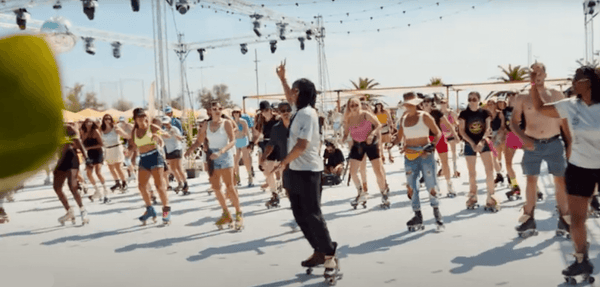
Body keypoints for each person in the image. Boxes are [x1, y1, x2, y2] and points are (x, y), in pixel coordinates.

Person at [529, 65, 599, 280]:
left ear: (588, 82)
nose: (573, 82)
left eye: (577, 78)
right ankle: (581, 261)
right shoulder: (570, 105)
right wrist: (533, 84)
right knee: (577, 220)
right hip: (579, 168)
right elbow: (540, 107)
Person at [274, 61, 340, 279]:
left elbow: (302, 145)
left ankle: (330, 254)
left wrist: (283, 162)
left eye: (294, 89)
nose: (290, 94)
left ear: (301, 93)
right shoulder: (298, 110)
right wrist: (283, 79)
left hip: (309, 171)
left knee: (312, 213)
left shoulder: (308, 114)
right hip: (295, 171)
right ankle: (320, 250)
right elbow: (288, 97)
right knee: (299, 214)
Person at [511, 63, 571, 238]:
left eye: (540, 71)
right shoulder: (522, 97)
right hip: (533, 145)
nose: (537, 74)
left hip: (554, 143)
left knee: (560, 182)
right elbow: (513, 122)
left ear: (545, 74)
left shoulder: (557, 94)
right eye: (533, 71)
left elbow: (564, 122)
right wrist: (524, 138)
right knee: (531, 181)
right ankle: (529, 220)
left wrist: (569, 144)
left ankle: (564, 219)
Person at [185, 101, 243, 230]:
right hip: (212, 156)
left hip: (225, 155)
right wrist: (191, 149)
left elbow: (233, 140)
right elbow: (200, 140)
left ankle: (239, 213)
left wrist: (221, 151)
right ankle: (226, 213)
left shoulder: (226, 123)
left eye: (219, 108)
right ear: (210, 111)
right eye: (214, 108)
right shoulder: (206, 124)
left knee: (230, 187)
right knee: (216, 188)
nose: (217, 110)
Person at [393, 92, 444, 231]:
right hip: (410, 155)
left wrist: (432, 145)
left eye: (410, 103)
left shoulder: (424, 116)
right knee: (411, 185)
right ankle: (417, 215)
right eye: (406, 104)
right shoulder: (403, 119)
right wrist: (393, 142)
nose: (408, 106)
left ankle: (436, 214)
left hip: (425, 153)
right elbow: (399, 137)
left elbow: (438, 132)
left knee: (430, 183)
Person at [342, 97, 389, 209]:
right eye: (351, 105)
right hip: (357, 145)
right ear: (349, 107)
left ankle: (384, 193)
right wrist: (343, 138)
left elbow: (378, 125)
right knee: (353, 172)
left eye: (356, 105)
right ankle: (361, 193)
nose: (354, 107)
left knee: (377, 171)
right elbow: (346, 132)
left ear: (359, 105)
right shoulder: (348, 118)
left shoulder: (365, 114)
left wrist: (372, 134)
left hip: (371, 143)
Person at [128, 108, 172, 225]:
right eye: (139, 117)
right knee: (141, 186)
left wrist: (159, 138)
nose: (142, 119)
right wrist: (128, 153)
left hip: (155, 156)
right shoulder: (134, 132)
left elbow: (165, 135)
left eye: (144, 116)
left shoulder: (152, 127)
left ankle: (166, 211)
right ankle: (150, 209)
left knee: (159, 185)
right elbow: (132, 146)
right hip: (143, 158)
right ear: (135, 119)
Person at [458, 92, 500, 211]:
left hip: (484, 142)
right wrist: (472, 143)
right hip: (469, 142)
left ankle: (491, 196)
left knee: (489, 170)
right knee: (472, 172)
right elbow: (461, 131)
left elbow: (488, 128)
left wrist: (482, 141)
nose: (472, 101)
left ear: (479, 100)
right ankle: (473, 195)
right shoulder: (464, 114)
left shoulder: (485, 113)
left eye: (475, 99)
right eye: (470, 99)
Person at [421, 94, 460, 197]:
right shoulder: (420, 115)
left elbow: (447, 124)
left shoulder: (436, 113)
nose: (427, 106)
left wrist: (455, 135)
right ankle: (434, 186)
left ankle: (449, 184)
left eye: (428, 103)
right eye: (425, 104)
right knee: (429, 163)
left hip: (439, 137)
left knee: (445, 162)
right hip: (427, 139)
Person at [54, 123, 90, 225]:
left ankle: (83, 211)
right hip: (60, 160)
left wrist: (86, 157)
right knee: (57, 187)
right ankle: (69, 211)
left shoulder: (67, 127)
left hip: (71, 157)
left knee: (72, 186)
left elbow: (78, 143)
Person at [262, 102, 293, 208]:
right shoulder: (274, 127)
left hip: (296, 159)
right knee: (288, 188)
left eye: (288, 110)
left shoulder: (296, 124)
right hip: (280, 155)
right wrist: (263, 157)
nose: (286, 113)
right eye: (283, 111)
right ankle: (275, 193)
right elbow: (270, 143)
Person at [498, 93, 523, 198]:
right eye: (510, 97)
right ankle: (515, 186)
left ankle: (536, 189)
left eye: (514, 96)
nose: (512, 98)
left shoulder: (524, 108)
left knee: (529, 163)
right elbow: (503, 126)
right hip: (511, 136)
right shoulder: (504, 111)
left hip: (523, 135)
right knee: (508, 164)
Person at [253, 101, 281, 193]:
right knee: (267, 171)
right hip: (267, 146)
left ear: (270, 110)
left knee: (280, 169)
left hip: (278, 145)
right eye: (263, 110)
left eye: (267, 110)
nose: (265, 112)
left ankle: (279, 185)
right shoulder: (261, 120)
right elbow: (257, 134)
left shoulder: (278, 119)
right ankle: (274, 192)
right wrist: (252, 144)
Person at [80, 118, 110, 203]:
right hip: (89, 154)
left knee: (98, 172)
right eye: (86, 122)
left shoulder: (95, 131)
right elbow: (82, 144)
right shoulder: (83, 132)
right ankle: (97, 190)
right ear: (84, 124)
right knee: (88, 173)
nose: (88, 124)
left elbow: (101, 144)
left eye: (90, 122)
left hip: (97, 152)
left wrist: (89, 147)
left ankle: (105, 189)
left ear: (92, 123)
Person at [100, 114, 130, 193]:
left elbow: (125, 135)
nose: (107, 120)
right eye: (106, 118)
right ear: (103, 120)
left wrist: (127, 144)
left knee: (118, 167)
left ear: (111, 120)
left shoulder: (115, 128)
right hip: (108, 149)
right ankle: (117, 183)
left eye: (109, 118)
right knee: (110, 168)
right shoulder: (102, 129)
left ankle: (124, 183)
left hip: (116, 148)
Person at [161, 116, 189, 195]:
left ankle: (185, 183)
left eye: (167, 123)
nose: (166, 125)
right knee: (173, 169)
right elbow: (162, 141)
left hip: (177, 148)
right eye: (164, 124)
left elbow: (181, 138)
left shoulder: (175, 129)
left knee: (179, 167)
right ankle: (179, 182)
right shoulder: (163, 131)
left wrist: (175, 135)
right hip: (169, 150)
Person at [232, 106, 254, 187]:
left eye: (237, 112)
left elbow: (245, 132)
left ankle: (250, 177)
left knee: (246, 160)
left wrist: (250, 143)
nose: (236, 114)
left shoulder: (243, 121)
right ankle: (237, 178)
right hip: (236, 142)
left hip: (243, 141)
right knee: (235, 161)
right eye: (234, 112)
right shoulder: (232, 122)